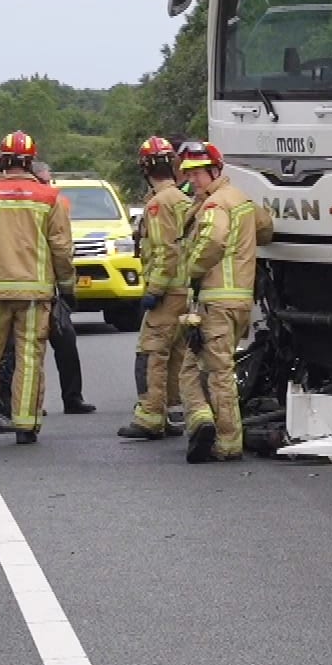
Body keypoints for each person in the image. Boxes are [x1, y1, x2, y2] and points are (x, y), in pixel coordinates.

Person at [0, 132, 74, 445]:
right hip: (35, 294)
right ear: (31, 161)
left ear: (3, 160)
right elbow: (61, 248)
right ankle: (25, 426)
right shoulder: (49, 198)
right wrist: (67, 286)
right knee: (29, 358)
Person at [177, 140, 273, 463]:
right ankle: (204, 420)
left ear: (215, 171)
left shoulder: (215, 206)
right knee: (196, 366)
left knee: (215, 371)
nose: (194, 181)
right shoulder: (242, 200)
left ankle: (226, 440)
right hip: (240, 300)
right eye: (190, 174)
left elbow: (214, 241)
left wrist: (192, 268)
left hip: (216, 301)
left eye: (199, 174)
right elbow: (266, 229)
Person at [0, 159, 94, 424]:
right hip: (30, 288)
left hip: (46, 286)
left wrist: (66, 286)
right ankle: (25, 406)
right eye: (45, 180)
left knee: (64, 340)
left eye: (50, 180)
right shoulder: (31, 202)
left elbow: (62, 246)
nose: (49, 185)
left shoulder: (54, 201)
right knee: (24, 353)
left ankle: (72, 398)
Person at [120, 137, 195, 441]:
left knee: (151, 352)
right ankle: (174, 412)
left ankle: (150, 416)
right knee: (176, 354)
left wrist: (155, 289)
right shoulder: (184, 200)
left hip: (167, 293)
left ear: (145, 168)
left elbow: (166, 251)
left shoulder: (158, 204)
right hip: (186, 291)